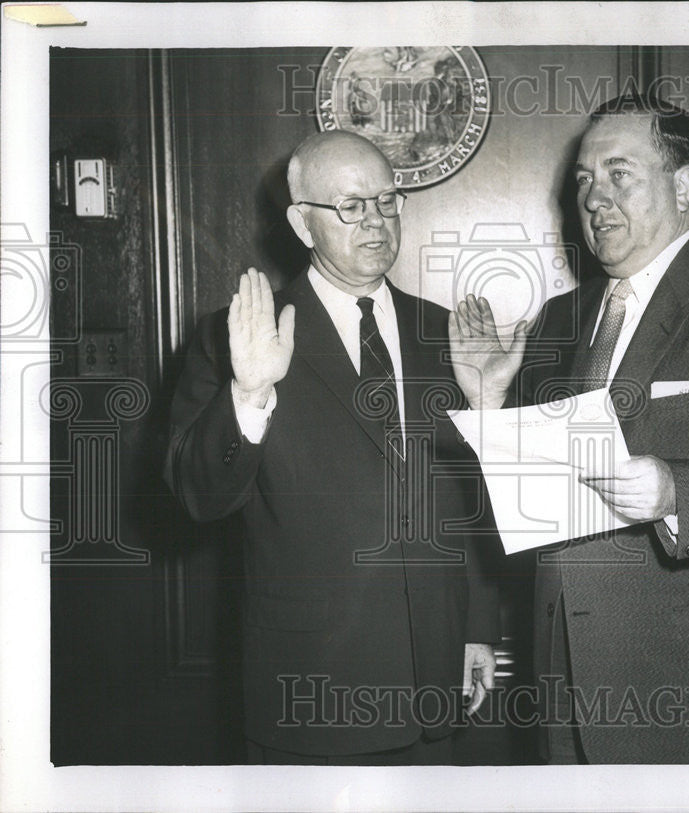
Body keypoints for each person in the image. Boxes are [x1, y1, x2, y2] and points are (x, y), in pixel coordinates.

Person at [449, 93, 689, 763]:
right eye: (583, 179)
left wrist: (677, 494)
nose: (594, 196)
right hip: (563, 687)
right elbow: (536, 503)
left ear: (684, 183)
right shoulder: (558, 318)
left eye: (619, 173)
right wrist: (489, 404)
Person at [165, 131, 500, 765]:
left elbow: (469, 497)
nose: (375, 221)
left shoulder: (444, 333)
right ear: (302, 223)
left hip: (435, 678)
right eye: (351, 206)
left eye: (387, 201)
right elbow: (197, 496)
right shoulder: (236, 337)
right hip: (310, 684)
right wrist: (250, 391)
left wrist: (477, 630)